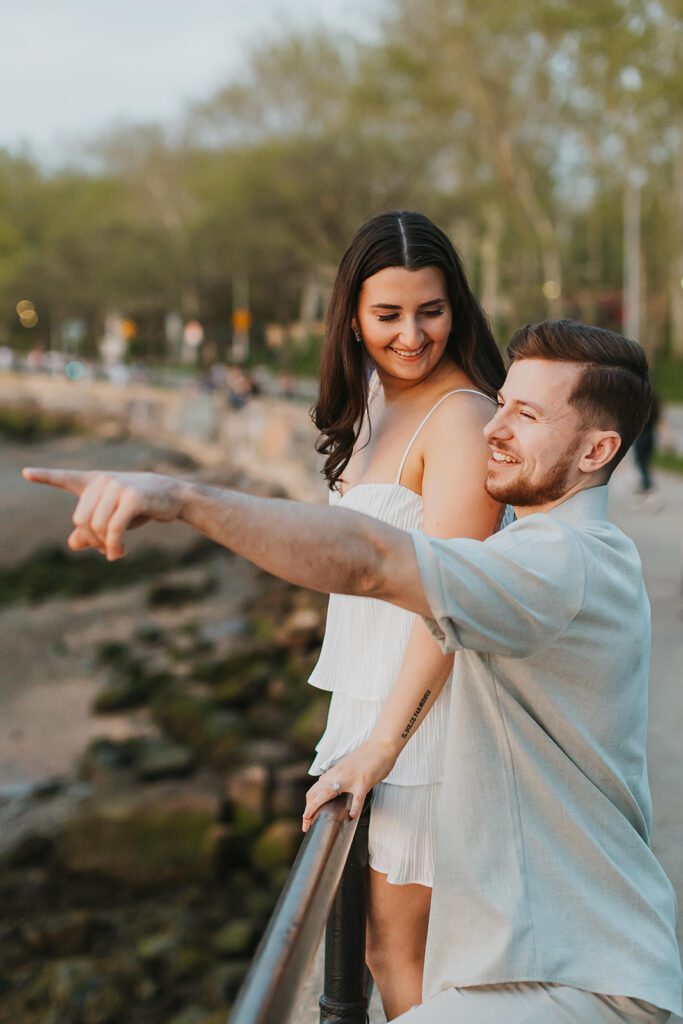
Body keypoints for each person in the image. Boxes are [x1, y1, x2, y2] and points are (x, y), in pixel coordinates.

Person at [22, 319, 683, 1022]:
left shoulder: (560, 563)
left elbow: (370, 560)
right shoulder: (544, 550)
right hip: (537, 965)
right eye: (500, 403)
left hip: (581, 980)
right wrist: (381, 747)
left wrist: (183, 500)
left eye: (526, 414)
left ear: (598, 450)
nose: (493, 428)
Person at [306, 211, 506, 1015]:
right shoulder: (374, 407)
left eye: (430, 309)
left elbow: (450, 605)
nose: (412, 334)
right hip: (367, 710)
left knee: (404, 956)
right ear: (351, 316)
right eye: (387, 314)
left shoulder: (458, 417)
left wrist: (385, 744)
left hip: (425, 724)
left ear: (456, 305)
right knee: (369, 944)